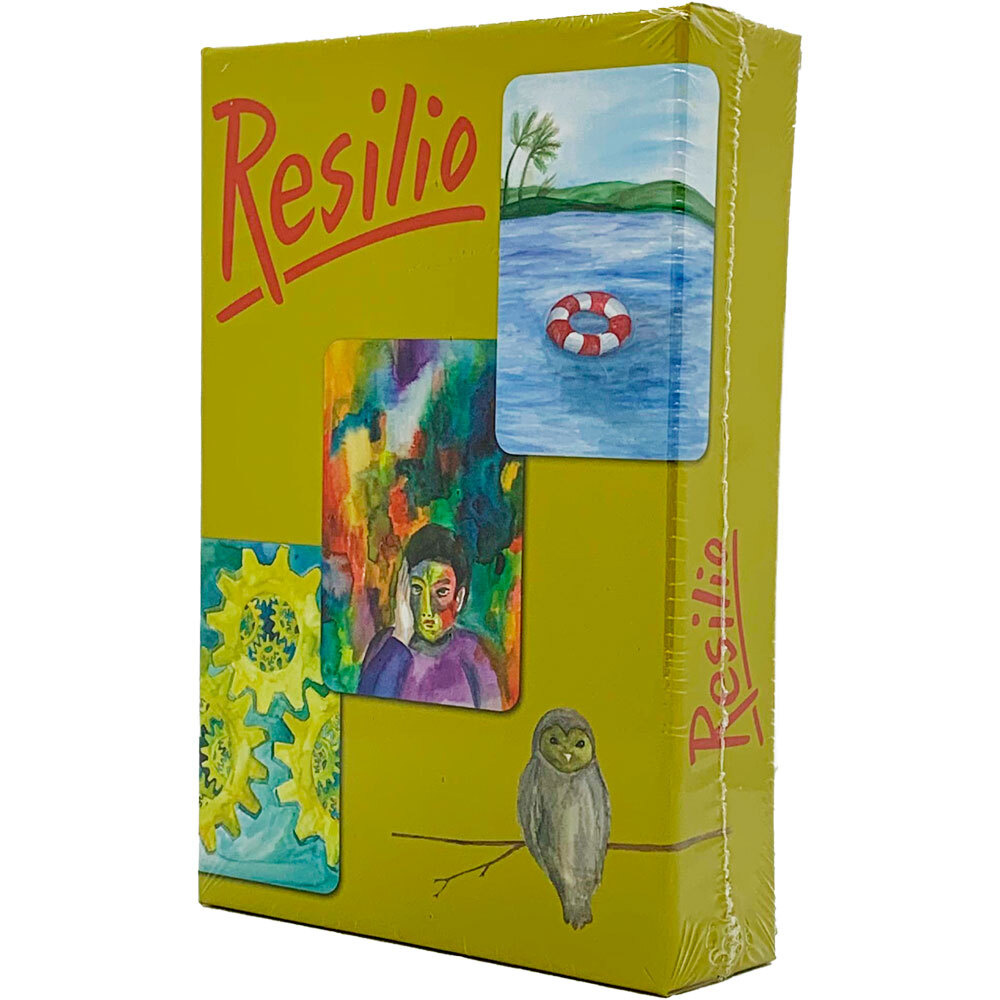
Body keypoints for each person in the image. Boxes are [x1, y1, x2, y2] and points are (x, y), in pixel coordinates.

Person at [357, 524, 502, 710]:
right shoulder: (386, 644)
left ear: (459, 598)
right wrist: (400, 637)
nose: (426, 609)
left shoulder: (473, 653)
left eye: (441, 592)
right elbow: (367, 709)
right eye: (417, 589)